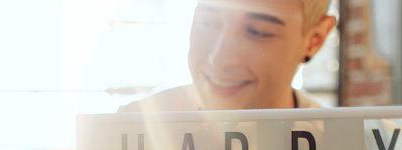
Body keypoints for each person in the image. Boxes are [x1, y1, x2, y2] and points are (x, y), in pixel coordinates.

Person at [119, 0, 337, 112]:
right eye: (208, 23)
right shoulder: (128, 132)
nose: (219, 60)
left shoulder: (341, 147)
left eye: (258, 31)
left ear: (315, 39)